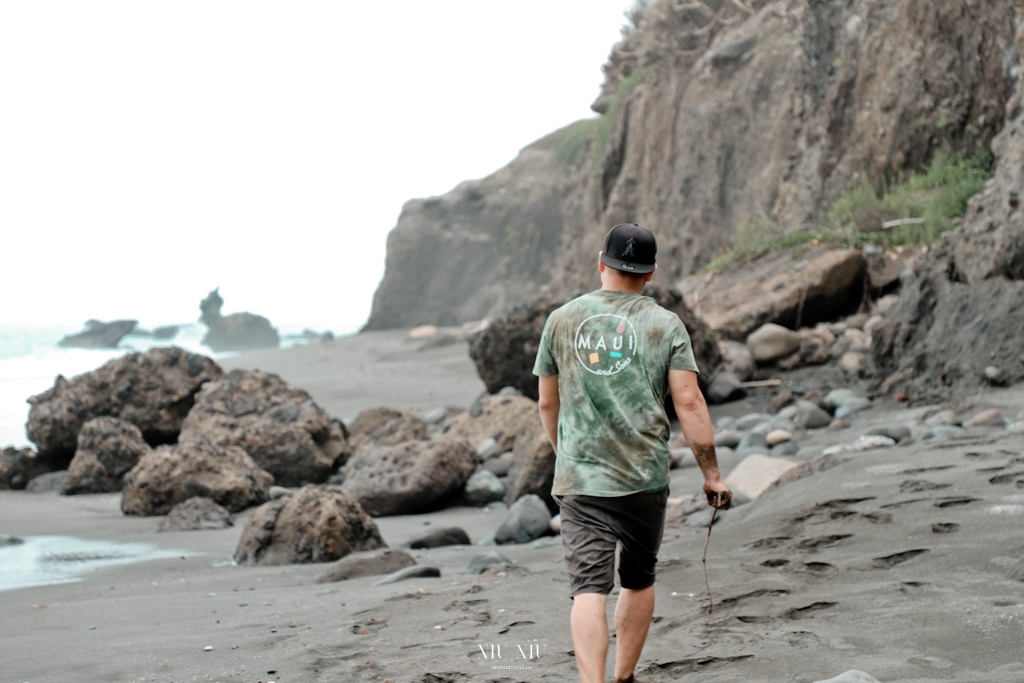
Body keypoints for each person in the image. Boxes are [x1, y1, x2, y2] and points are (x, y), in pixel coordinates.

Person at [533, 223, 732, 683]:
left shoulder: (561, 319)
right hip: (644, 477)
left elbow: (547, 401)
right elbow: (689, 402)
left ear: (601, 263)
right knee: (638, 577)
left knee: (588, 590)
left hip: (582, 480)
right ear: (651, 273)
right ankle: (624, 677)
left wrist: (564, 452)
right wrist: (712, 474)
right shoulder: (665, 323)